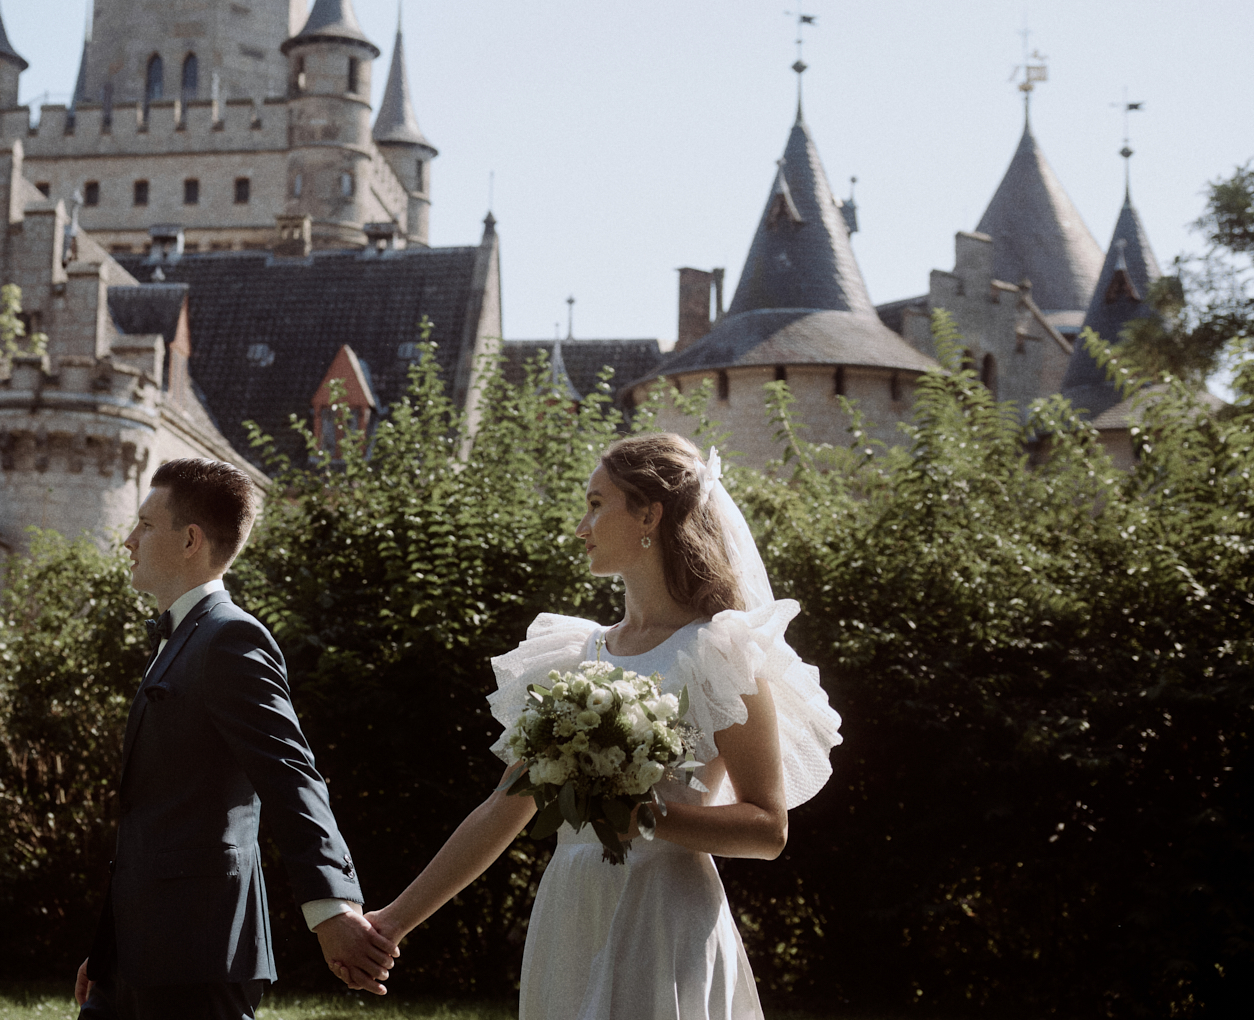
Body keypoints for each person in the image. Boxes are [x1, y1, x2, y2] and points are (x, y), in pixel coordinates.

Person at [366, 433, 842, 1019]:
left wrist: (643, 813)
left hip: (663, 915)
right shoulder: (575, 655)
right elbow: (503, 806)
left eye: (596, 503)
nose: (580, 526)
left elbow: (767, 829)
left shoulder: (722, 653)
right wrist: (391, 922)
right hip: (571, 908)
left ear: (649, 514)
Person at [76, 458, 400, 1019]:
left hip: (196, 955)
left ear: (191, 540)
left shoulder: (230, 638)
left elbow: (291, 778)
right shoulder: (181, 639)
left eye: (146, 525)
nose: (129, 540)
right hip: (135, 954)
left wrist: (332, 908)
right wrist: (110, 946)